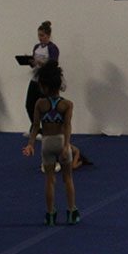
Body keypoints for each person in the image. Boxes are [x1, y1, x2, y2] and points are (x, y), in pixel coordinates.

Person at [22, 60, 79, 226]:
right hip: (61, 142)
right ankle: (71, 211)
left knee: (49, 180)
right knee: (67, 178)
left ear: (44, 86)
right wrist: (67, 145)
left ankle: (51, 214)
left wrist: (31, 144)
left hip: (47, 143)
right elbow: (67, 126)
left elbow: (35, 126)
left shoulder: (40, 104)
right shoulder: (67, 104)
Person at [25, 21, 59, 136]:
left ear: (48, 36)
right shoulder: (36, 47)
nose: (40, 38)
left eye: (42, 35)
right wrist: (31, 62)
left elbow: (54, 64)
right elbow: (35, 64)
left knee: (44, 106)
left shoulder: (52, 48)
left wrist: (41, 62)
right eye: (39, 35)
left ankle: (46, 130)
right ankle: (35, 128)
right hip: (35, 79)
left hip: (45, 81)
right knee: (29, 104)